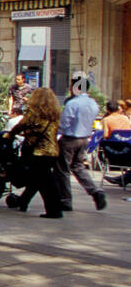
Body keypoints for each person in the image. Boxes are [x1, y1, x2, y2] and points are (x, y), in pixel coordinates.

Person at [5, 87, 64, 218]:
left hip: (38, 152)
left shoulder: (34, 112)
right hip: (53, 151)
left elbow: (22, 125)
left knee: (45, 183)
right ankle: (23, 202)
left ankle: (54, 211)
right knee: (40, 179)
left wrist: (10, 134)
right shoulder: (55, 113)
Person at [55, 77, 107, 211]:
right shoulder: (93, 103)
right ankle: (95, 191)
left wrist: (56, 132)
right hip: (84, 138)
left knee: (63, 170)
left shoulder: (73, 103)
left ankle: (65, 200)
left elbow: (64, 123)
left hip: (70, 139)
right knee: (78, 166)